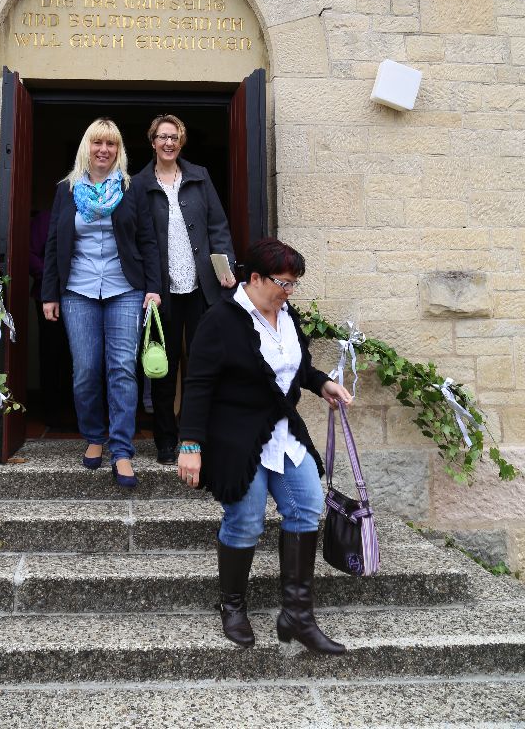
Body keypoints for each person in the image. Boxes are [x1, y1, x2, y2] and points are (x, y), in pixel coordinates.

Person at [178, 237, 352, 654]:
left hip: (284, 433)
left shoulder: (287, 316)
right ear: (254, 278)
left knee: (307, 506)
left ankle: (297, 615)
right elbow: (199, 385)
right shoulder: (220, 319)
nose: (288, 292)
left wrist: (322, 382)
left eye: (293, 285)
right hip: (237, 438)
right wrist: (190, 444)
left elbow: (296, 367)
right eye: (283, 283)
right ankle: (232, 606)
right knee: (247, 520)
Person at [41, 118, 161, 489]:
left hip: (125, 289)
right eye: (97, 143)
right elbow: (53, 244)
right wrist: (49, 293)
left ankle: (122, 450)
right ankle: (95, 436)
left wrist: (153, 287)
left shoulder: (131, 189)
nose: (103, 150)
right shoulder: (67, 190)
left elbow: (148, 241)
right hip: (77, 290)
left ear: (119, 150)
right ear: (86, 148)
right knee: (86, 370)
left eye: (110, 144)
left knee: (123, 369)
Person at [134, 114, 236, 465]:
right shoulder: (139, 184)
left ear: (181, 141)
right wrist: (146, 285)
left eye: (174, 137)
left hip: (200, 288)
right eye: (162, 137)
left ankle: (197, 436)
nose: (168, 143)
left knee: (202, 366)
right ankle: (165, 439)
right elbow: (137, 239)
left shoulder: (199, 177)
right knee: (164, 367)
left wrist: (226, 268)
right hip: (161, 291)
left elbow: (218, 227)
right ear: (152, 141)